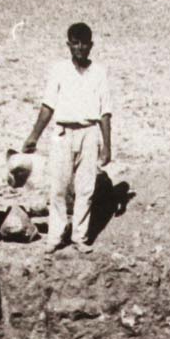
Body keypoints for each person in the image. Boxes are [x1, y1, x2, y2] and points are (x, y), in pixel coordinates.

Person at [20, 22, 113, 254]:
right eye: (75, 43)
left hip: (89, 133)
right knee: (58, 187)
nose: (80, 48)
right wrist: (34, 136)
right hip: (62, 133)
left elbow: (105, 112)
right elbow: (48, 106)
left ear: (91, 45)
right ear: (68, 45)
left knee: (85, 188)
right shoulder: (59, 70)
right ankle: (55, 236)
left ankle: (79, 237)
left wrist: (107, 146)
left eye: (84, 43)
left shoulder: (99, 72)